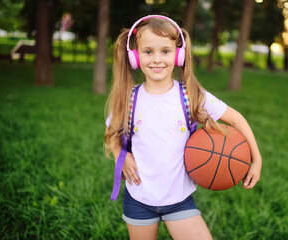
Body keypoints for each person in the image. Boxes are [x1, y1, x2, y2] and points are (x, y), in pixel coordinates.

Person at [104, 15, 262, 240]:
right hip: (138, 199)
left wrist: (256, 160)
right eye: (148, 51)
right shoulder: (129, 99)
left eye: (165, 51)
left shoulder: (191, 95)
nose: (157, 59)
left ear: (178, 55)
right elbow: (112, 134)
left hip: (179, 201)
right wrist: (122, 155)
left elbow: (237, 120)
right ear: (135, 56)